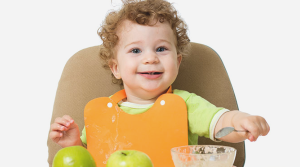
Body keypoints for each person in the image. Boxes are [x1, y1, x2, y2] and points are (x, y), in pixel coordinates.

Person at [49, 0, 269, 150]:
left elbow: (222, 124)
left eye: (161, 49)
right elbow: (91, 162)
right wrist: (75, 144)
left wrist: (242, 121)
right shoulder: (103, 113)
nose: (150, 58)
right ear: (115, 67)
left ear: (177, 61)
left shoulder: (186, 104)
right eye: (136, 51)